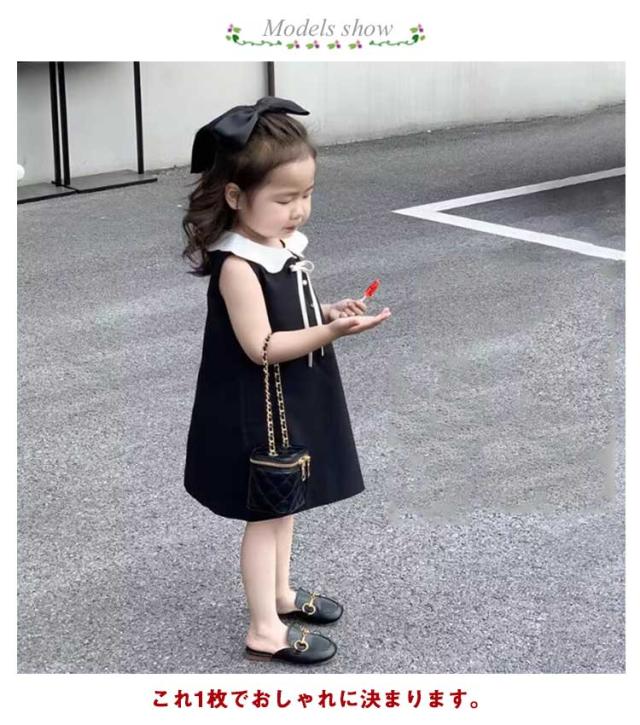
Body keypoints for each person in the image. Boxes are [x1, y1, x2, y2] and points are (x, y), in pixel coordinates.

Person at [181, 96, 392, 665]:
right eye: (283, 199)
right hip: (258, 411)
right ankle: (263, 629)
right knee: (265, 512)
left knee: (285, 502)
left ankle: (279, 594)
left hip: (286, 402)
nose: (298, 210)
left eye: (306, 195)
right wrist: (333, 332)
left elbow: (288, 313)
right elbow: (263, 346)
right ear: (235, 196)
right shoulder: (237, 265)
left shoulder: (276, 245)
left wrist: (326, 312)